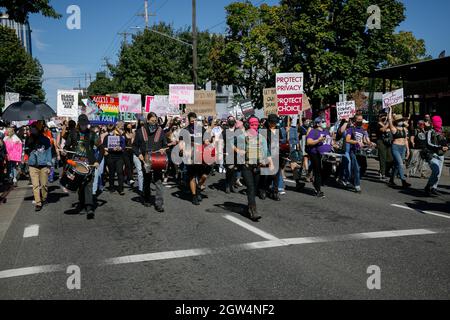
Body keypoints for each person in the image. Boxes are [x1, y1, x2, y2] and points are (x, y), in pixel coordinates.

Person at [64, 115, 101, 219]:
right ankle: (81, 202)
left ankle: (89, 207)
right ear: (78, 123)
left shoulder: (92, 134)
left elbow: (101, 149)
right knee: (80, 185)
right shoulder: (73, 134)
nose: (84, 126)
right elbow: (66, 147)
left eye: (85, 124)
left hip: (89, 163)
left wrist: (98, 161)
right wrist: (64, 151)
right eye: (82, 124)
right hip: (76, 163)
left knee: (88, 184)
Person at [133, 112, 168, 212]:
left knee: (158, 181)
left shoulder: (160, 131)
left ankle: (159, 204)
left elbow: (165, 145)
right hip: (146, 159)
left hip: (157, 159)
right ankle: (147, 198)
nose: (154, 123)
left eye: (155, 121)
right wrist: (138, 154)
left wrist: (163, 149)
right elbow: (134, 146)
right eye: (152, 121)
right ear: (147, 120)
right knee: (147, 180)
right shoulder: (140, 131)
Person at [25, 121, 52, 212]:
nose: (31, 129)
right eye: (31, 128)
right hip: (33, 165)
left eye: (33, 128)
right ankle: (38, 203)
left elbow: (48, 152)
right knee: (35, 185)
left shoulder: (45, 139)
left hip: (43, 165)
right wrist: (29, 146)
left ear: (38, 129)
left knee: (44, 185)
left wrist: (49, 165)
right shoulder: (28, 139)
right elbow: (26, 151)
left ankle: (44, 198)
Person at [345, 115, 373, 193]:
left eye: (361, 119)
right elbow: (347, 140)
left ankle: (352, 179)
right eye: (359, 119)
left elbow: (364, 140)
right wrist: (356, 142)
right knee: (356, 168)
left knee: (364, 167)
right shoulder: (351, 129)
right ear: (355, 121)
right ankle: (357, 185)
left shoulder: (363, 130)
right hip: (353, 151)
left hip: (360, 151)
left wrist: (370, 143)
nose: (360, 121)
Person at [306, 117, 333, 198]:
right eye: (323, 121)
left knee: (328, 169)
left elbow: (329, 142)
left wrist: (333, 144)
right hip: (315, 153)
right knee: (317, 171)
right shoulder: (314, 131)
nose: (325, 123)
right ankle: (318, 191)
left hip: (326, 154)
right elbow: (309, 142)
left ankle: (318, 182)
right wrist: (318, 140)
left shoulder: (326, 131)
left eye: (325, 121)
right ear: (318, 124)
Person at [423, 116, 448, 196]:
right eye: (437, 122)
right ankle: (428, 187)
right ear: (433, 123)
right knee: (436, 171)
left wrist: (446, 146)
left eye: (440, 122)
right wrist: (440, 147)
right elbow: (429, 143)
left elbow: (445, 142)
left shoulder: (442, 132)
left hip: (441, 154)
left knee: (439, 173)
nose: (439, 124)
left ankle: (434, 188)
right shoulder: (430, 132)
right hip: (432, 154)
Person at [387, 110, 411, 188]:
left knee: (397, 165)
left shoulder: (405, 129)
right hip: (396, 148)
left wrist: (407, 150)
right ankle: (403, 181)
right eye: (399, 120)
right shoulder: (393, 129)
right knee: (400, 164)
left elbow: (406, 140)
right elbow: (390, 120)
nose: (401, 122)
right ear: (396, 122)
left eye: (401, 120)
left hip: (403, 148)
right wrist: (390, 111)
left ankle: (391, 180)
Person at [103, 124, 126, 195]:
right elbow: (104, 147)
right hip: (110, 156)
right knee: (111, 172)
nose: (112, 131)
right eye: (110, 130)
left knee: (120, 172)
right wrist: (111, 149)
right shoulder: (107, 137)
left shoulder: (120, 136)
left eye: (113, 129)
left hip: (119, 156)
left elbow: (123, 146)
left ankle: (121, 188)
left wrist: (120, 148)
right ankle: (111, 187)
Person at [376, 112, 393, 181]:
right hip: (381, 142)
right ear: (379, 117)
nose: (384, 117)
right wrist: (388, 123)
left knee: (390, 158)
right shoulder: (378, 124)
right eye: (382, 116)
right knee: (383, 158)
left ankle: (385, 171)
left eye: (385, 116)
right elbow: (383, 129)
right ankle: (382, 174)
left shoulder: (386, 123)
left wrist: (390, 111)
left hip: (388, 142)